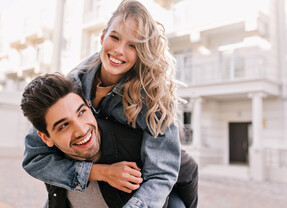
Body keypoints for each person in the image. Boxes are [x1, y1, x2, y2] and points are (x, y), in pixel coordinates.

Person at [23, 0, 198, 208]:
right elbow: (34, 156)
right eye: (114, 37)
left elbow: (161, 173)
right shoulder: (75, 83)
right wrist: (99, 173)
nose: (119, 50)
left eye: (133, 45)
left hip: (151, 181)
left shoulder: (154, 98)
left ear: (143, 51)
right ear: (103, 36)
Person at [21, 73, 185, 208]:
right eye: (64, 125)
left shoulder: (134, 146)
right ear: (45, 138)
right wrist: (100, 172)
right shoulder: (51, 162)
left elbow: (185, 172)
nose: (81, 130)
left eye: (81, 112)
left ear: (88, 105)